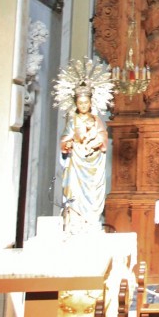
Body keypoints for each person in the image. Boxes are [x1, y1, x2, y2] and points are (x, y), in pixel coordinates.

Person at [59, 84, 109, 232]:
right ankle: (75, 220)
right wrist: (67, 144)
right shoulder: (73, 121)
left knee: (93, 191)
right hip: (76, 163)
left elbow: (103, 138)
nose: (83, 105)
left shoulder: (96, 120)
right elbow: (64, 138)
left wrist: (96, 143)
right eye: (80, 103)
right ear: (76, 104)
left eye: (86, 102)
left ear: (91, 103)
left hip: (93, 163)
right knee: (74, 190)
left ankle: (91, 220)